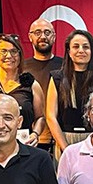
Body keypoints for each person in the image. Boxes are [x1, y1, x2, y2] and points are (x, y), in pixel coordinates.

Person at [0, 33, 45, 147]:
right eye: (3, 51)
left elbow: (40, 117)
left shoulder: (32, 86)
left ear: (20, 56)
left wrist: (35, 134)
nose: (9, 55)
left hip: (23, 147)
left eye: (14, 51)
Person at [46, 30, 93, 156]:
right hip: (64, 140)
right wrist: (65, 148)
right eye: (76, 46)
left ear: (92, 51)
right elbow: (50, 116)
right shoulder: (57, 78)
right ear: (69, 52)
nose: (81, 50)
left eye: (86, 47)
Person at [22, 19, 64, 152]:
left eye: (47, 32)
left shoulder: (65, 66)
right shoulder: (22, 68)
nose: (43, 36)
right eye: (37, 32)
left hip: (61, 137)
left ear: (54, 37)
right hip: (32, 139)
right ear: (30, 37)